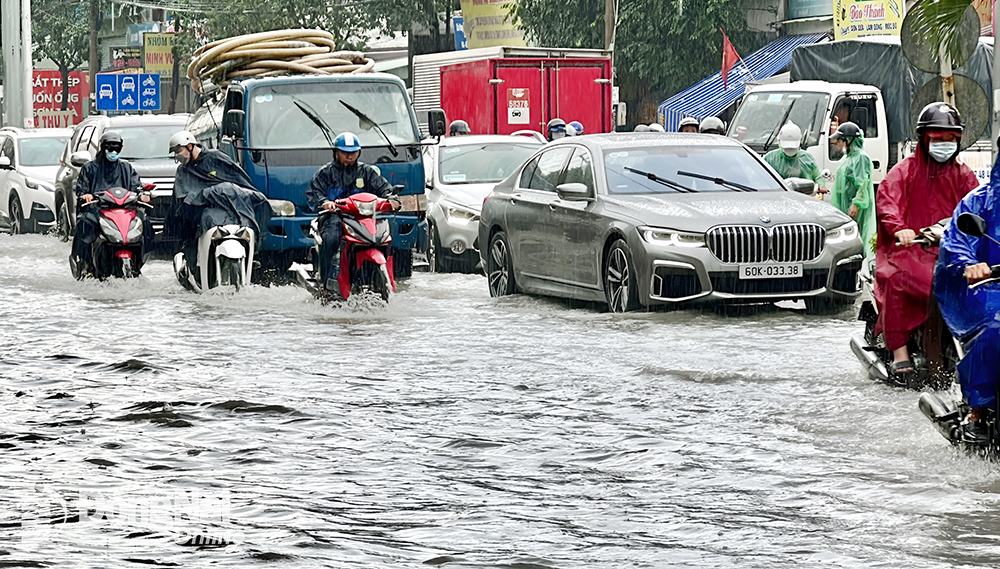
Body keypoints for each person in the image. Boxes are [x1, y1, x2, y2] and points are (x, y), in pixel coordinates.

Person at [877, 103, 978, 381]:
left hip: (952, 250)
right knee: (899, 280)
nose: (943, 144)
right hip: (911, 250)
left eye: (950, 139)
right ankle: (900, 354)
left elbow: (979, 208)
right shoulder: (904, 171)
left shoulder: (964, 175)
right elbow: (888, 200)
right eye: (937, 138)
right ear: (924, 139)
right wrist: (900, 229)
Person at [934, 158, 1000, 442]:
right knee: (996, 328)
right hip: (986, 288)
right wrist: (969, 264)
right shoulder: (979, 201)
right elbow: (955, 242)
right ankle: (978, 410)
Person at [305, 132, 400, 296]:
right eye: (345, 153)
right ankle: (326, 283)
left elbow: (384, 188)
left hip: (362, 217)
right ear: (336, 152)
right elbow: (313, 193)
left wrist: (392, 199)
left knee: (384, 236)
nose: (350, 156)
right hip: (333, 217)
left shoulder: (367, 172)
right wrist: (325, 202)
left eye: (353, 153)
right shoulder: (325, 173)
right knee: (332, 238)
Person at [166, 130, 270, 277]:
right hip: (204, 213)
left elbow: (239, 181)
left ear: (189, 146)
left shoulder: (216, 158)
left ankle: (252, 255)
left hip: (231, 208)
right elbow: (181, 200)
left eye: (178, 151)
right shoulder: (183, 171)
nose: (177, 155)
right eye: (175, 152)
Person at [71, 131, 148, 277]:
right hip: (98, 210)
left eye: (117, 149)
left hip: (124, 211)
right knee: (85, 223)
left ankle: (137, 264)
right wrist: (86, 195)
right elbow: (82, 189)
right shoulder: (89, 168)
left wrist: (142, 195)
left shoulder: (126, 168)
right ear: (103, 148)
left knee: (144, 221)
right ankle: (86, 263)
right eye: (110, 148)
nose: (113, 152)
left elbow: (136, 186)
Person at [830, 121, 876, 257]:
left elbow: (862, 184)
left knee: (858, 239)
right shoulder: (848, 158)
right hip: (846, 206)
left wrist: (856, 204)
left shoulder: (861, 158)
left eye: (839, 140)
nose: (837, 144)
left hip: (855, 209)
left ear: (848, 141)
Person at [763, 123, 826, 193]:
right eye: (787, 148)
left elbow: (817, 175)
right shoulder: (770, 158)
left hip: (804, 197)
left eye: (792, 148)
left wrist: (820, 185)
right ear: (779, 142)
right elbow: (759, 177)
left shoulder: (807, 158)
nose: (790, 151)